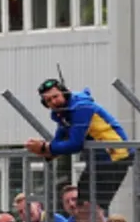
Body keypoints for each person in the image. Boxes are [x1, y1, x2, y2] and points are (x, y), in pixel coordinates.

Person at [26, 79, 133, 214]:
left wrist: (46, 148)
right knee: (84, 202)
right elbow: (59, 138)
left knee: (92, 204)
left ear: (65, 93)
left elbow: (75, 144)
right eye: (48, 100)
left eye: (55, 97)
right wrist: (49, 150)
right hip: (100, 158)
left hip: (115, 155)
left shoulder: (81, 107)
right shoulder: (64, 112)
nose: (53, 102)